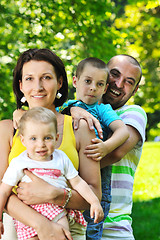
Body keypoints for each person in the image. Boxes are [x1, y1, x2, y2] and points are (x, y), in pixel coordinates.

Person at [0, 48, 102, 240]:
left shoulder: (80, 127)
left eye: (46, 77)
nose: (37, 86)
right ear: (20, 85)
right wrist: (41, 225)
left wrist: (56, 195)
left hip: (67, 226)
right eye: (29, 78)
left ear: (60, 82)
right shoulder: (7, 129)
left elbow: (95, 193)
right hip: (18, 227)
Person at [72, 54, 147, 239]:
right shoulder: (75, 109)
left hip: (114, 227)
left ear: (135, 90)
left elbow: (115, 153)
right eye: (115, 74)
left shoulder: (133, 113)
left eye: (129, 82)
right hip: (74, 220)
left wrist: (66, 173)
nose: (119, 84)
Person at [0, 107, 104, 240]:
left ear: (56, 138)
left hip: (57, 210)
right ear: (23, 140)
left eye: (47, 138)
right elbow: (3, 190)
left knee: (61, 235)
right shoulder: (19, 162)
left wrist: (94, 201)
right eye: (33, 139)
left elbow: (78, 182)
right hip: (29, 214)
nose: (41, 144)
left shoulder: (61, 158)